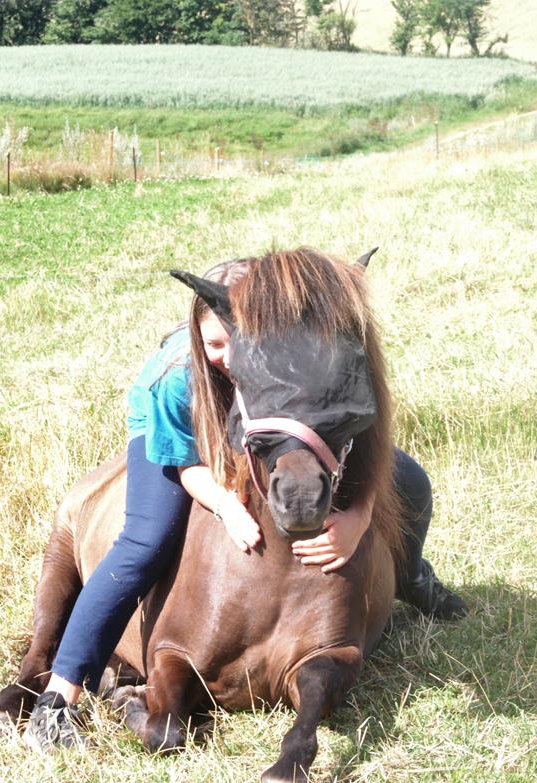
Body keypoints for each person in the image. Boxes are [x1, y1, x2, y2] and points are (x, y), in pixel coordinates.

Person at [23, 257, 465, 752]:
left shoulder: (277, 351)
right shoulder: (177, 379)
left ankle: (411, 575)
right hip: (176, 439)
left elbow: (351, 439)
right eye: (215, 344)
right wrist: (227, 505)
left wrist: (360, 517)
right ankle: (59, 693)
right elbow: (187, 466)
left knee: (413, 482)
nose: (227, 356)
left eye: (239, 343)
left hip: (257, 425)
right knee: (146, 538)